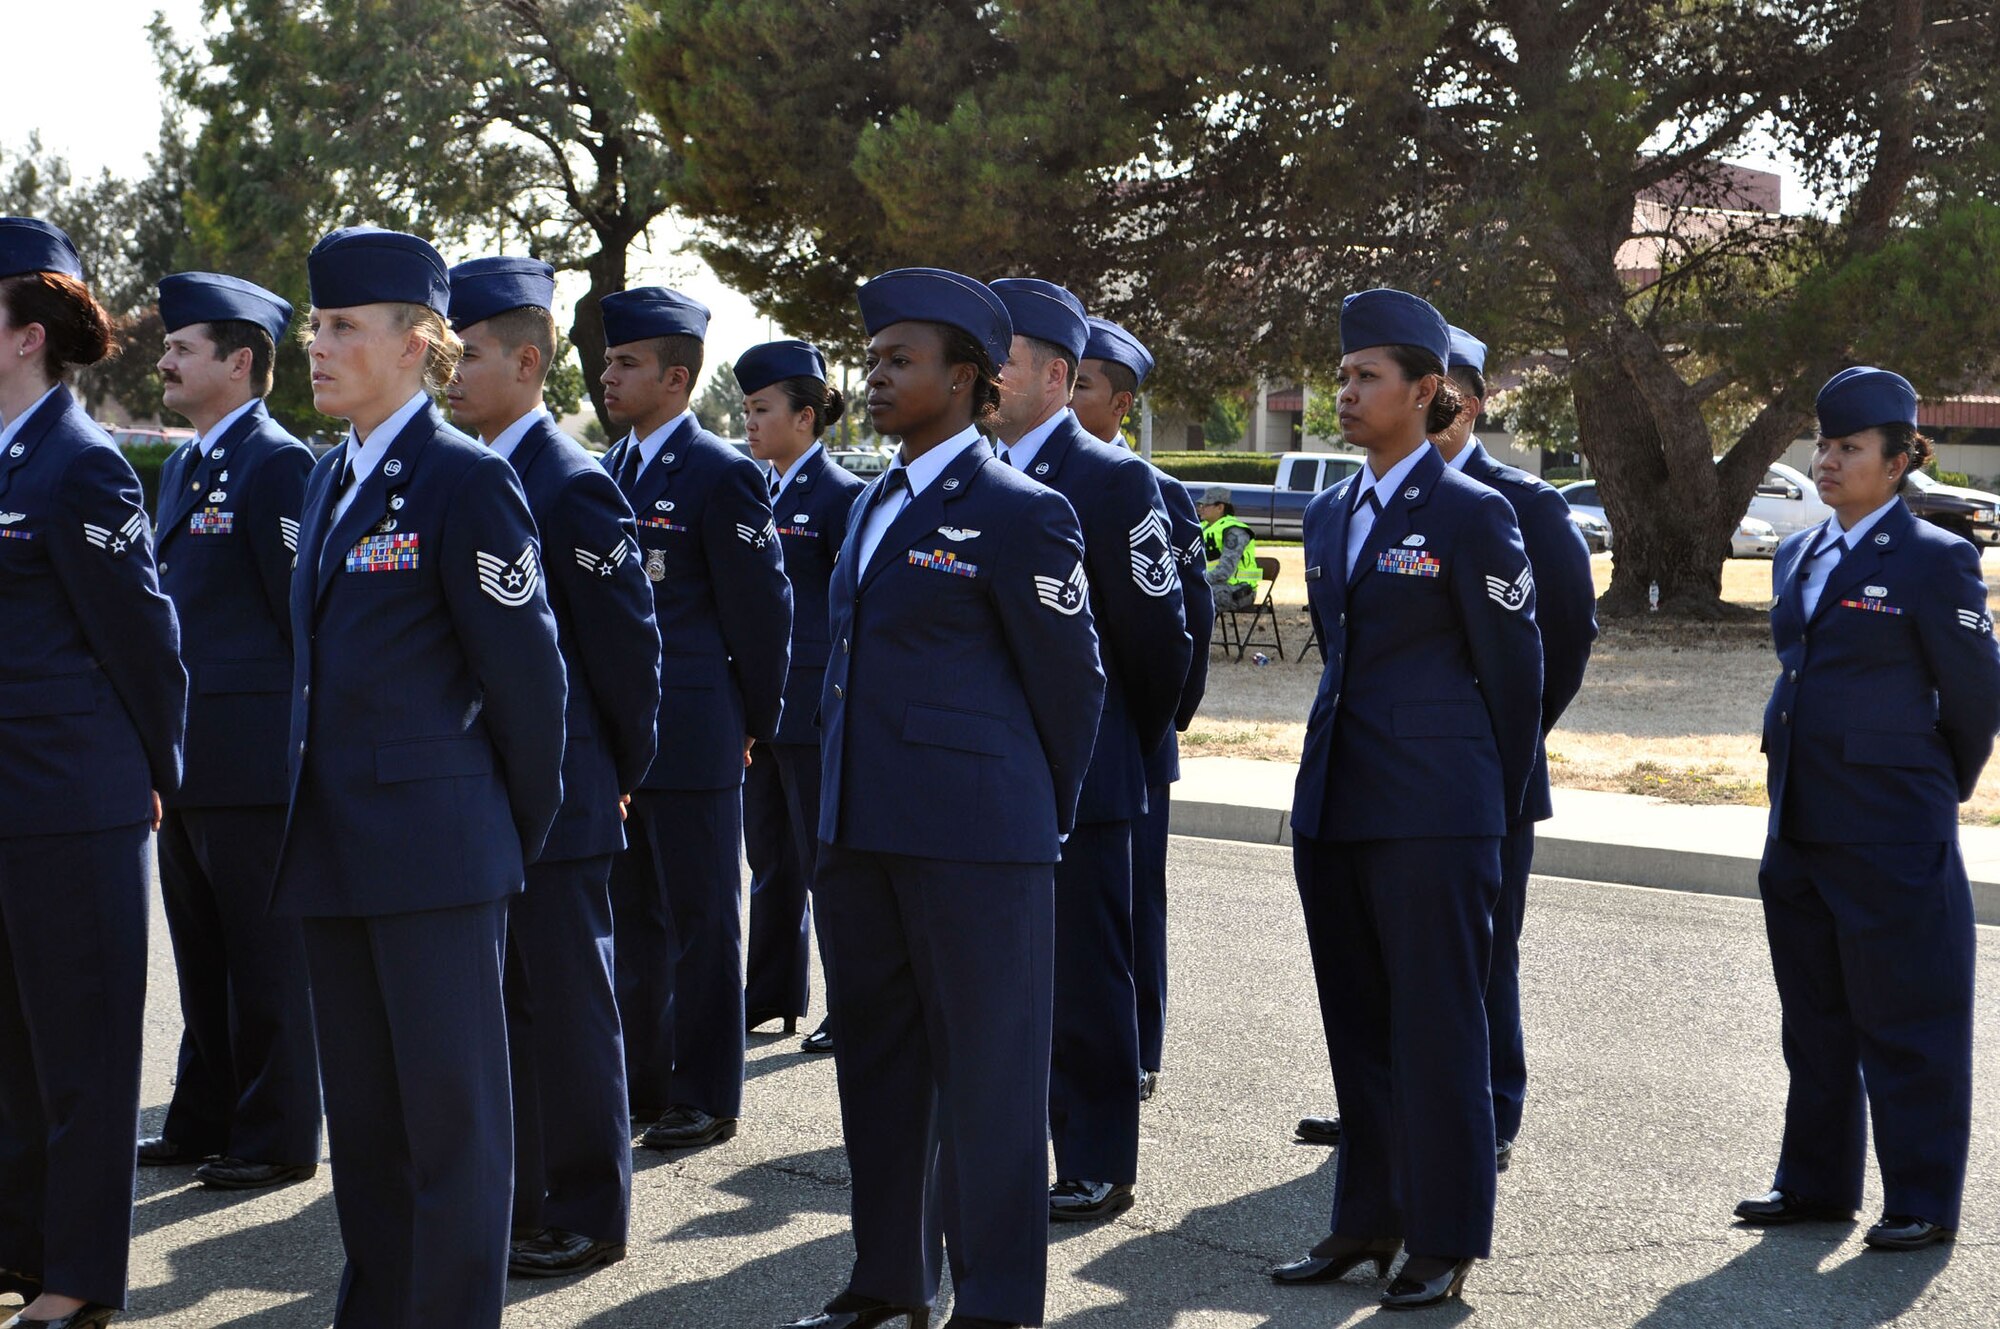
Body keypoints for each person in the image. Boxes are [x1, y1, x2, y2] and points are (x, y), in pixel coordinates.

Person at [783, 267, 1104, 1329]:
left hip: (977, 846)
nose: (872, 378)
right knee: (878, 1070)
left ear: (968, 379)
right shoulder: (873, 500)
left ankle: (998, 1304)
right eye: (869, 360)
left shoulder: (1022, 511)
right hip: (861, 836)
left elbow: (1071, 685)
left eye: (898, 361)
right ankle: (887, 1282)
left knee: (989, 1089)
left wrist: (1027, 819)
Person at [274, 226, 567, 1328]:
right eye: (316, 324)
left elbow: (529, 687)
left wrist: (500, 837)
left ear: (417, 345)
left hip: (437, 857)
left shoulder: (465, 480)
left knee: (453, 1130)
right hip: (338, 850)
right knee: (369, 1128)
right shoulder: (326, 478)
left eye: (344, 326)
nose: (319, 344)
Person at [1273, 289, 1540, 1310]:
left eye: (1365, 378)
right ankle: (1363, 1219)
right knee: (1358, 1026)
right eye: (1340, 378)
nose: (1343, 393)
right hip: (1338, 803)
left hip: (1435, 812)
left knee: (1438, 1030)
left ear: (1427, 394)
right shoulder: (1330, 510)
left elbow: (1512, 679)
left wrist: (1485, 803)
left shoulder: (1475, 513)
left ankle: (1441, 1237)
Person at [1293, 325, 1596, 1164]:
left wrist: (1490, 749)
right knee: (1385, 964)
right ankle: (1388, 1118)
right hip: (1385, 775)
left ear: (1466, 399)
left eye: (1457, 391)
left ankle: (1484, 1115)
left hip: (1476, 771)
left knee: (1477, 962)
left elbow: (1556, 646)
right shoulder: (1348, 508)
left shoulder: (1524, 505)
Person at [1735, 366, 2000, 1251]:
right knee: (1814, 1016)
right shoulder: (1802, 551)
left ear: (1898, 462)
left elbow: (1972, 699)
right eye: (1825, 444)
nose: (1829, 459)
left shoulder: (1935, 557)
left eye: (1849, 447)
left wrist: (1932, 789)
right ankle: (1814, 1181)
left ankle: (1921, 1198)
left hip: (1891, 821)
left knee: (1908, 1017)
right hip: (1800, 819)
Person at [445, 256, 662, 1280]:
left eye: (471, 352)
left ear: (528, 363)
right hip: (484, 789)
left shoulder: (568, 483)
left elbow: (626, 651)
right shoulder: (468, 467)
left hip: (569, 790)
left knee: (569, 1008)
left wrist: (620, 767)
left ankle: (585, 1208)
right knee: (508, 1008)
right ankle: (524, 1194)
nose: (449, 368)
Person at [0, 217, 186, 1329]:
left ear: (25, 336)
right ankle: (20, 1247)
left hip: (73, 799)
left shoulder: (81, 464)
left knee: (82, 1051)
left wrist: (157, 775)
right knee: (8, 1055)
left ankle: (77, 1282)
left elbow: (143, 642)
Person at [989, 277, 1189, 1224]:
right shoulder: (969, 467)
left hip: (1086, 776)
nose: (985, 373)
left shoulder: (1114, 480)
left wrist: (1119, 755)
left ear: (1059, 377)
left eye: (1006, 358)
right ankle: (1012, 1145)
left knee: (1087, 981)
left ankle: (1102, 1158)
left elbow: (1157, 643)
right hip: (986, 775)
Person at [141, 271, 322, 1194]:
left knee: (264, 957)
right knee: (203, 950)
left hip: (255, 762)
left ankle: (279, 1132)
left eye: (182, 347)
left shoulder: (276, 462)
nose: (163, 359)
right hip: (191, 759)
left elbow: (301, 621)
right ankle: (205, 1112)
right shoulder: (186, 462)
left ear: (239, 360)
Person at [598, 287, 791, 1150]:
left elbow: (763, 610)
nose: (608, 375)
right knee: (634, 917)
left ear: (676, 378)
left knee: (703, 917)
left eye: (626, 363)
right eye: (607, 360)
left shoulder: (721, 472)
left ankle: (706, 1091)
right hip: (622, 733)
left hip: (696, 726)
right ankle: (643, 1080)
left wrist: (753, 717)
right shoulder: (608, 467)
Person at [1074, 316, 1211, 1101]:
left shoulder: (1153, 489)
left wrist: (1159, 725)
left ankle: (1139, 1047)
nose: (1069, 394)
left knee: (1134, 903)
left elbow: (1187, 615)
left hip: (1133, 736)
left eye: (1085, 384)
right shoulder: (1035, 477)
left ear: (1121, 403)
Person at [735, 339, 865, 1056]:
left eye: (763, 409)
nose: (749, 422)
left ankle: (850, 1003)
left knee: (826, 866)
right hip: (766, 705)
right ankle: (772, 993)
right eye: (747, 410)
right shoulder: (755, 487)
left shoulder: (840, 495)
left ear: (806, 418)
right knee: (771, 861)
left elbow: (854, 607)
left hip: (817, 708)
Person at [1196, 486, 1260, 610]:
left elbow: (1225, 571)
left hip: (1241, 590)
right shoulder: (1202, 528)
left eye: (1205, 505)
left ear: (1220, 507)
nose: (1200, 508)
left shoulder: (1235, 531)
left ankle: (1197, 630)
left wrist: (1197, 580)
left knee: (1198, 596)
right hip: (1214, 585)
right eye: (1200, 504)